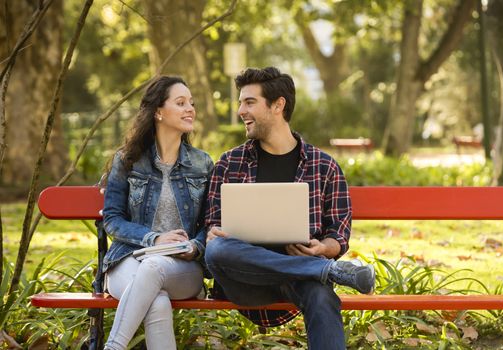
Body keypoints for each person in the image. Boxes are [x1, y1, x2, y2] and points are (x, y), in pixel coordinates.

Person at [204, 67, 375, 350]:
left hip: (301, 280)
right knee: (217, 250)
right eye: (240, 102)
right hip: (245, 280)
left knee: (322, 297)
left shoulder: (324, 166)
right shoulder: (229, 163)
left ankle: (320, 269)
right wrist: (213, 233)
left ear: (278, 105)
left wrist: (322, 249)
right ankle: (327, 271)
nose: (240, 111)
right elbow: (212, 227)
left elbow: (338, 236)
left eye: (249, 102)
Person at [102, 76, 213, 350]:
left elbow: (212, 222)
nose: (190, 109)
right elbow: (112, 220)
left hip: (183, 267)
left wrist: (194, 246)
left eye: (191, 103)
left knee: (154, 269)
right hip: (128, 259)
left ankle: (113, 347)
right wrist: (154, 239)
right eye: (180, 102)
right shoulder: (128, 159)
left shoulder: (202, 163)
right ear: (158, 112)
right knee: (157, 301)